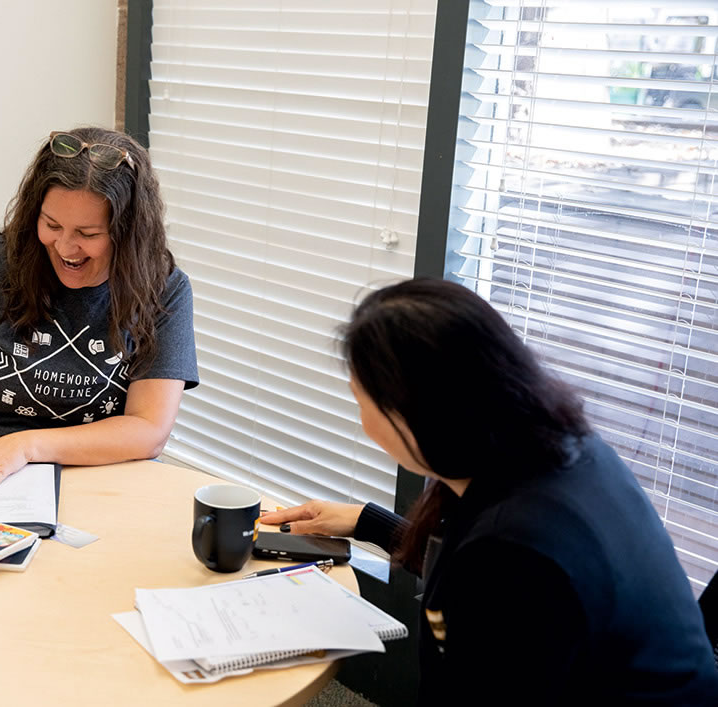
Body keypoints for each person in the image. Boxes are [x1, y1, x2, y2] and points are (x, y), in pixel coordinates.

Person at [261, 278, 718, 705]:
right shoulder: (558, 451)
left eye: (362, 402)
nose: (363, 424)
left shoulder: (517, 550)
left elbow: (490, 591)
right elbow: (480, 587)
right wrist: (368, 521)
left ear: (418, 414)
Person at [0, 127, 198, 493]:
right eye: (52, 225)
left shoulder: (164, 288)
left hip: (104, 483)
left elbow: (148, 429)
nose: (66, 246)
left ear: (128, 234)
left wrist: (26, 446)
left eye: (88, 234)